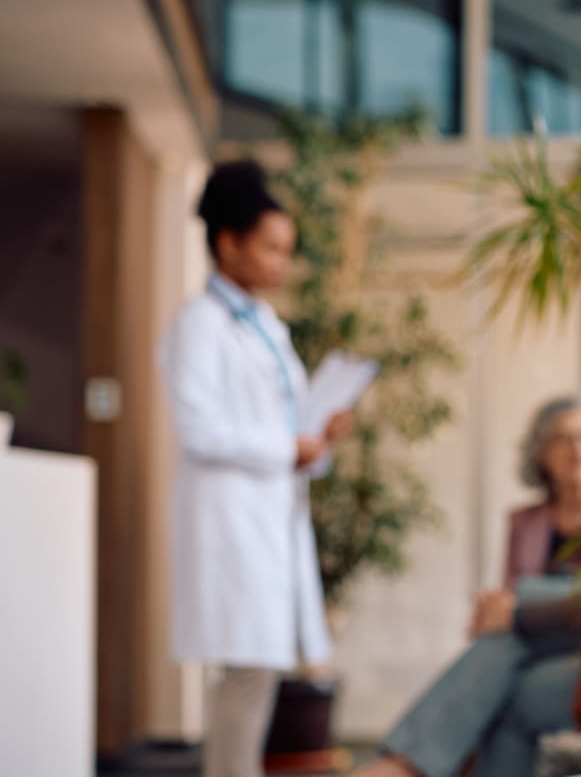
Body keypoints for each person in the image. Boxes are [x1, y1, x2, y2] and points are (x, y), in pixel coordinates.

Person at [158, 160, 354, 777]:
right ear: (228, 243)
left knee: (257, 672)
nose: (280, 264)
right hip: (231, 520)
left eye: (285, 251)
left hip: (267, 515)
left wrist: (315, 438)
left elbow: (282, 419)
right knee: (247, 672)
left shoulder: (265, 323)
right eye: (270, 248)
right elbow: (199, 429)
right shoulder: (199, 325)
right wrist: (288, 448)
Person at [353, 395, 581, 777]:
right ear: (541, 453)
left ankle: (406, 765)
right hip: (541, 657)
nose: (578, 449)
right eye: (563, 438)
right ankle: (408, 765)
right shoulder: (525, 522)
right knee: (503, 666)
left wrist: (522, 607)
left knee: (499, 673)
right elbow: (504, 613)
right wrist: (506, 611)